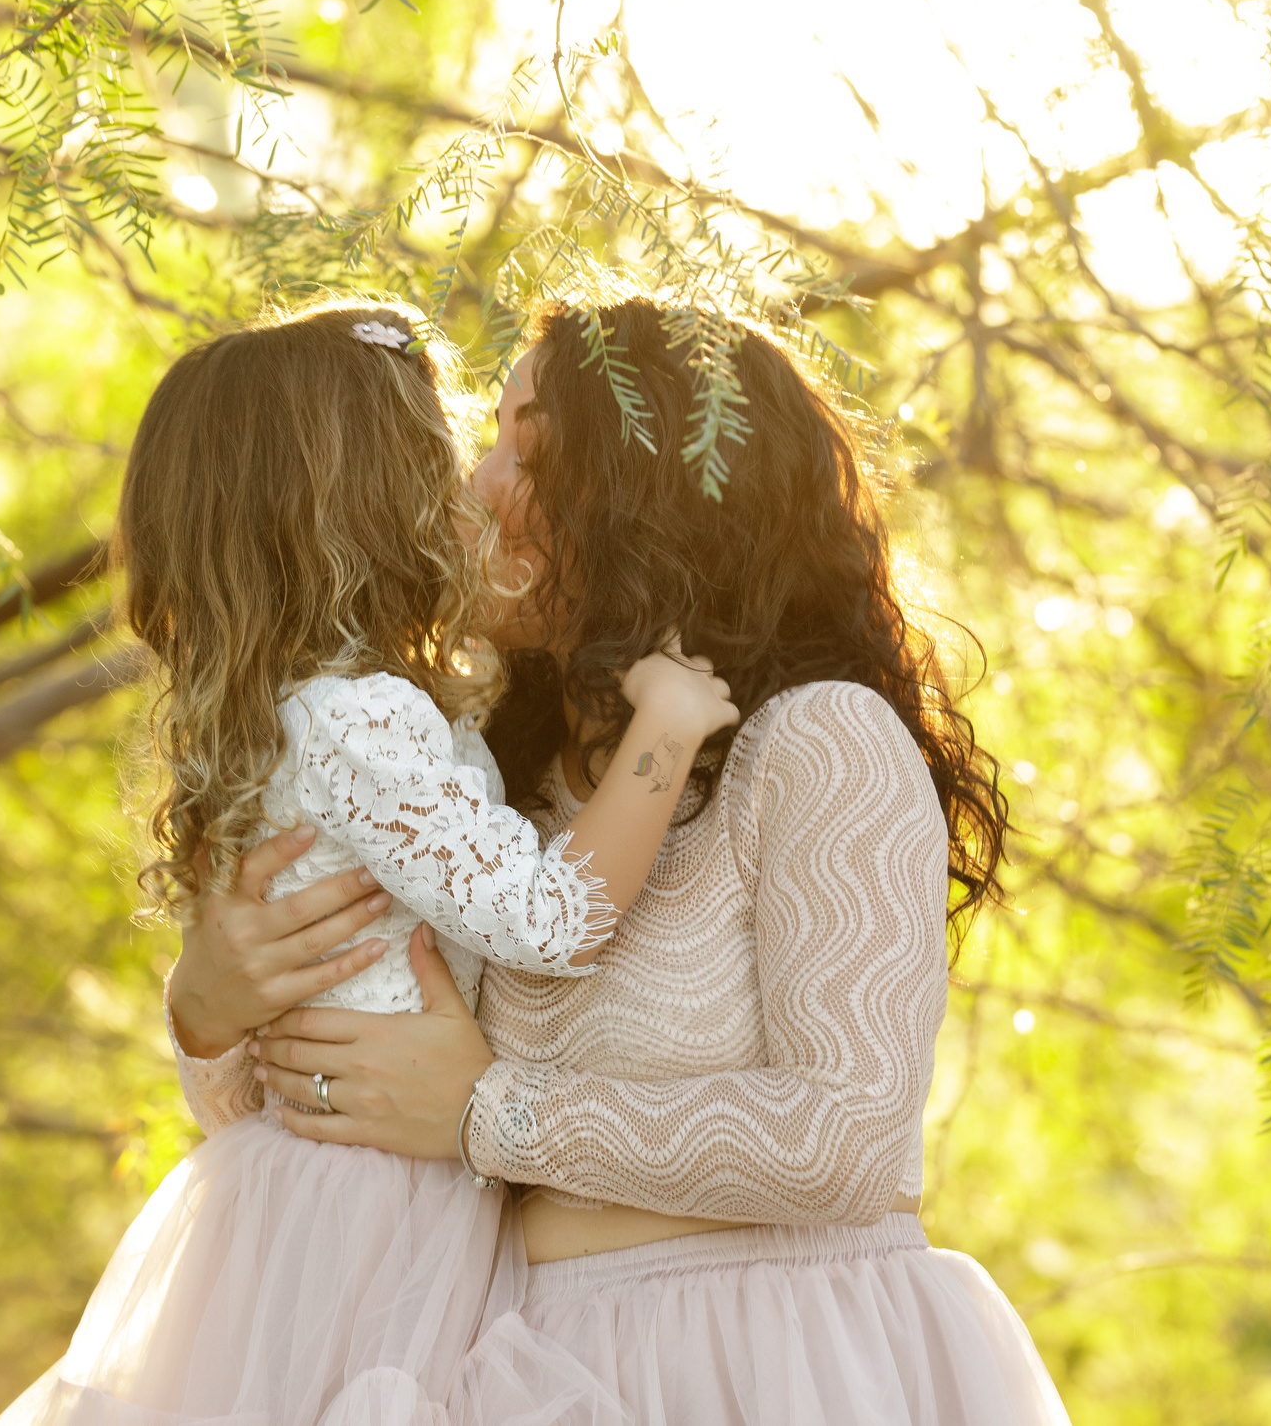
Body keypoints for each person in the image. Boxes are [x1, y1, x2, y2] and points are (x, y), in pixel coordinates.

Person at [168, 299, 1071, 1424]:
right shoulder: (494, 771)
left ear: (648, 488)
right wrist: (206, 1015)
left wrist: (491, 1113)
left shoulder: (817, 742)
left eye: (524, 446)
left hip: (760, 1364)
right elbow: (340, 1121)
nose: (477, 485)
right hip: (505, 1363)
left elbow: (845, 1137)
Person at [0, 301, 739, 1426]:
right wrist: (667, 731)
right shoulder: (363, 719)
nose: (470, 490)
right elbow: (548, 919)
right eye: (439, 462)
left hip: (340, 1190)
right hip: (379, 1204)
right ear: (368, 507)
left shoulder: (309, 713)